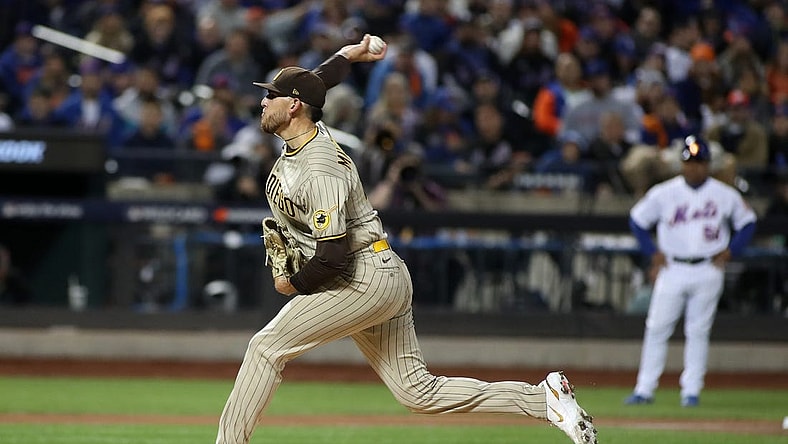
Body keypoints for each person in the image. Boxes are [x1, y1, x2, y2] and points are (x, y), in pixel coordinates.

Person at [214, 35, 598, 444]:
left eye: (270, 96)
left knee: (265, 347)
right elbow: (319, 81)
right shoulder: (308, 129)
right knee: (418, 391)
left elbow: (333, 256)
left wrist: (293, 284)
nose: (262, 102)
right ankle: (544, 400)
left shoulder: (319, 165)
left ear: (293, 107)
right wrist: (349, 55)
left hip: (361, 277)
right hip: (381, 272)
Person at [624, 135, 757, 408]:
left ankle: (691, 392)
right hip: (672, 267)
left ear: (708, 164)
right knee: (657, 327)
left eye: (699, 162)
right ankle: (645, 389)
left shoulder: (724, 193)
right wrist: (652, 252)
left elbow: (748, 222)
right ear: (681, 164)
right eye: (689, 162)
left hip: (708, 267)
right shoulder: (665, 192)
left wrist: (732, 250)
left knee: (698, 330)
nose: (694, 167)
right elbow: (637, 221)